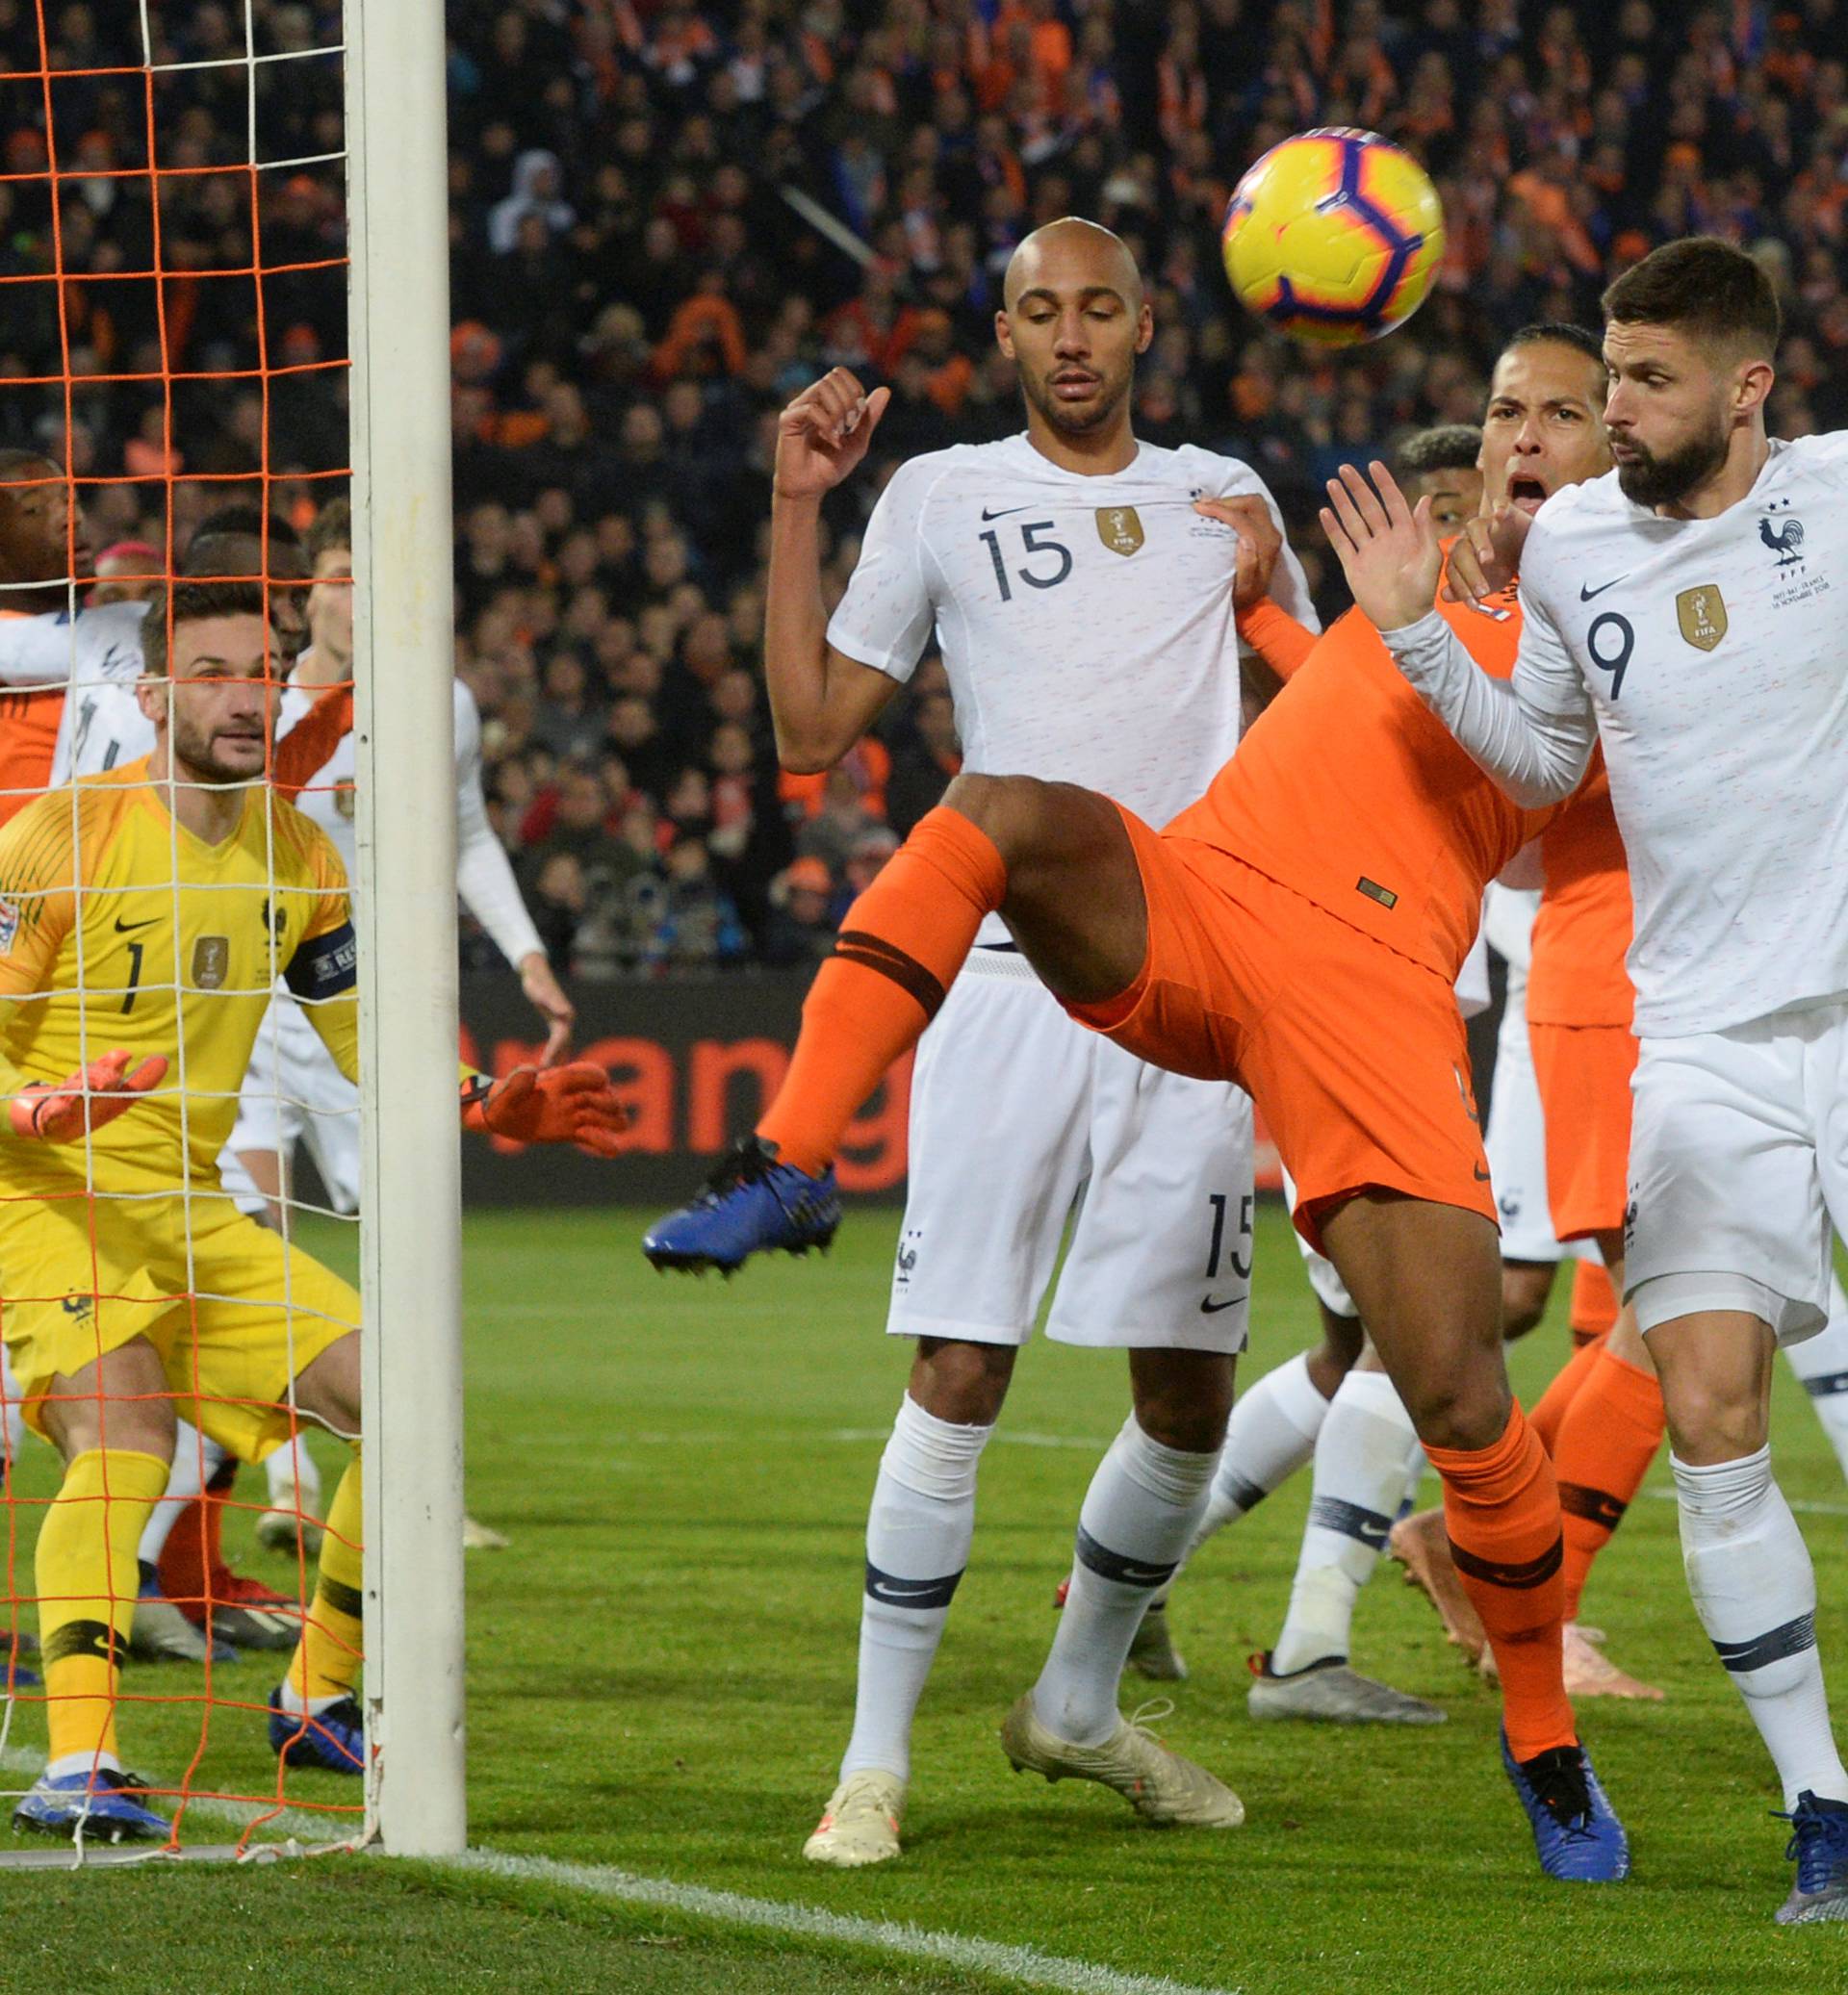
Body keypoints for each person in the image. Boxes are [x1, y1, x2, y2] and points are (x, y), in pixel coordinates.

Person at [645, 320, 1633, 1883]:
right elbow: (1340, 682)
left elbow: (1526, 780)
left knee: (1459, 1400)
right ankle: (787, 1157)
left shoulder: (1610, 636)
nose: (1524, 435)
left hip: (1368, 1001)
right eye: (1507, 408)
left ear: (1609, 456)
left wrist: (1402, 626)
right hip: (1207, 896)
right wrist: (1273, 601)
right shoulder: (1418, 578)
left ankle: (1543, 1741)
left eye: (1563, 416)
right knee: (999, 807)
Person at [701, 217, 1314, 1868]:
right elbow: (812, 730)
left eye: (1099, 307)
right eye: (1039, 311)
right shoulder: (942, 494)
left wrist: (1275, 606)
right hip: (992, 977)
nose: (1069, 337)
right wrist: (795, 505)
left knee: (1189, 1397)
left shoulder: (1227, 499)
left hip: (1191, 991)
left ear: (1147, 324)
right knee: (961, 1367)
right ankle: (872, 1765)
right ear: (1003, 331)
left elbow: (1326, 733)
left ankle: (1080, 1700)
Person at [1346, 233, 1848, 1924]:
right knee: (1710, 1415)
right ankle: (1822, 1812)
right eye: (1604, 376)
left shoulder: (1840, 500)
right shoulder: (1569, 545)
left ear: (1748, 386)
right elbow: (1551, 762)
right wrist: (1423, 642)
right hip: (1693, 1038)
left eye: (1646, 379)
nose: (1609, 409)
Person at [0, 579, 626, 1843]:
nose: (251, 693)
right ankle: (79, 1759)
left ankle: (313, 1693)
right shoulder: (54, 837)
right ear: (152, 693)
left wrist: (484, 1094)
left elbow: (365, 1038)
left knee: (402, 1408)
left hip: (192, 1206)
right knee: (124, 1430)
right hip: (46, 1196)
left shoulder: (299, 852)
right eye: (221, 669)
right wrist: (33, 1109)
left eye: (265, 669)